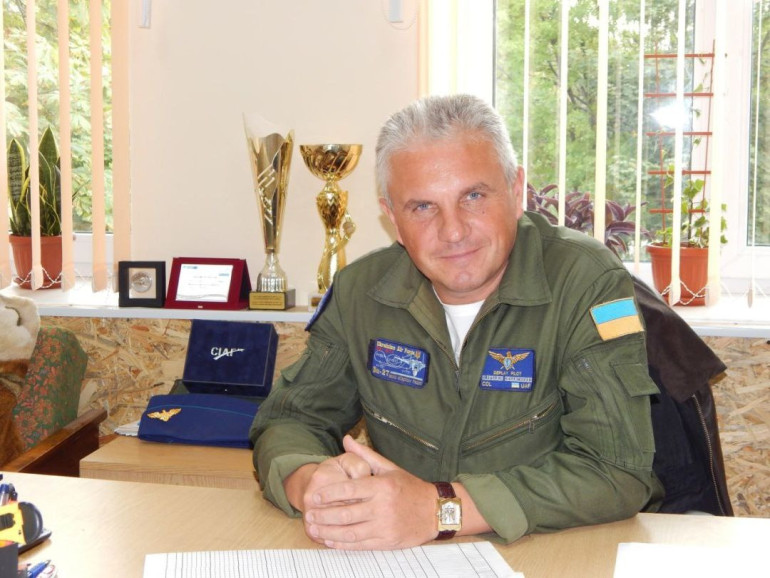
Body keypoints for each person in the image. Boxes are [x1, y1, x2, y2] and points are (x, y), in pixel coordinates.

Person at [251, 94, 663, 551]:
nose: (453, 231)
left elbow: (616, 470)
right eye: (422, 207)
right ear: (393, 218)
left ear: (516, 191)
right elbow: (291, 419)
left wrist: (439, 509)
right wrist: (311, 482)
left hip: (545, 552)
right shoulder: (360, 293)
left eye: (473, 196)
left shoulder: (586, 281)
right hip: (400, 556)